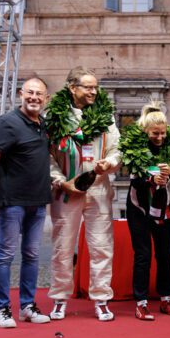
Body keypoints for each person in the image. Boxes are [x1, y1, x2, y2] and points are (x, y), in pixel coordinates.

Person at [47, 67, 121, 322]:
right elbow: (46, 156)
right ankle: (59, 298)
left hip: (98, 188)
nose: (93, 91)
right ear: (72, 88)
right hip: (66, 190)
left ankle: (101, 299)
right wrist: (59, 181)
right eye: (88, 87)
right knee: (62, 247)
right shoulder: (55, 117)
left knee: (101, 246)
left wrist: (108, 164)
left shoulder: (105, 116)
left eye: (95, 87)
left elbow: (117, 150)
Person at [0, 77, 52, 328]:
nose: (34, 97)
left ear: (46, 99)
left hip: (38, 200)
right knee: (5, 255)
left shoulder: (43, 124)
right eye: (30, 92)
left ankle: (27, 306)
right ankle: (1, 309)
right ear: (21, 94)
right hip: (12, 201)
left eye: (39, 94)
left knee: (32, 255)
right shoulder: (8, 122)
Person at [119, 100, 170, 321]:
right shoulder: (135, 146)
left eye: (162, 133)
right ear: (146, 131)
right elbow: (134, 180)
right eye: (155, 134)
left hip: (161, 207)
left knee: (166, 255)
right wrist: (150, 177)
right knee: (143, 255)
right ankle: (141, 302)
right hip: (138, 207)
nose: (159, 138)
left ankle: (166, 298)